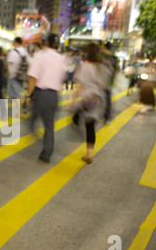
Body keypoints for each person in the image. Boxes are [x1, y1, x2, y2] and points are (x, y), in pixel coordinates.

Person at [25, 33, 66, 163]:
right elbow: (63, 77)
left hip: (41, 94)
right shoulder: (61, 58)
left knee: (32, 119)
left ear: (44, 42)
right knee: (49, 126)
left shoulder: (40, 56)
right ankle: (46, 154)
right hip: (54, 96)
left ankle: (33, 132)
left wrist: (28, 95)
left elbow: (33, 78)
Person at [70, 43, 109, 164]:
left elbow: (79, 86)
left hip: (87, 99)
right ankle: (88, 154)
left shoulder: (84, 66)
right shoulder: (102, 67)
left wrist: (72, 101)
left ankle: (78, 127)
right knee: (91, 127)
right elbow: (104, 85)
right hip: (98, 100)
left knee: (77, 118)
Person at [7, 37, 30, 117]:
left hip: (14, 75)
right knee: (13, 94)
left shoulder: (13, 52)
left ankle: (20, 113)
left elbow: (9, 64)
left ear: (15, 42)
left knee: (16, 94)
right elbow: (29, 63)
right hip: (22, 75)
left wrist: (9, 74)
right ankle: (16, 111)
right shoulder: (25, 51)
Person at [101, 42, 118, 124]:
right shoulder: (114, 57)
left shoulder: (100, 55)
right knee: (108, 99)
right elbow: (115, 71)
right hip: (108, 81)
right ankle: (107, 118)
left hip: (100, 80)